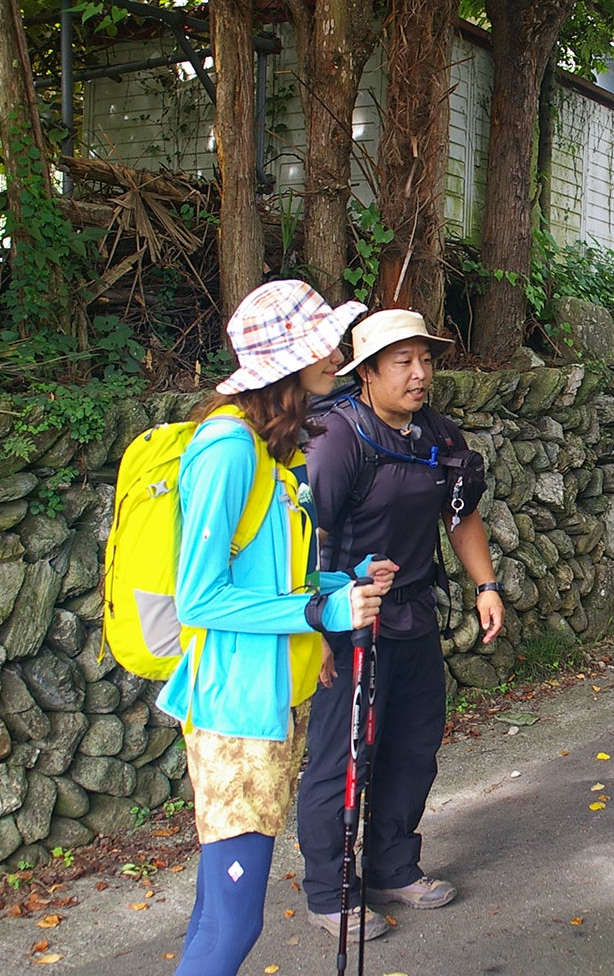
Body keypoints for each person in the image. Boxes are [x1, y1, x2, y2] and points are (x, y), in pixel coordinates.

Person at [158, 280, 394, 976]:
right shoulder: (228, 449)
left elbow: (272, 582)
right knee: (233, 922)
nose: (337, 354)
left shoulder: (267, 453)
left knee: (218, 914)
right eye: (323, 342)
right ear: (287, 362)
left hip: (259, 706)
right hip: (233, 712)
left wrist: (344, 581)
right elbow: (197, 598)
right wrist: (316, 613)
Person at [296, 309, 505, 939]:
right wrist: (316, 625)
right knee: (343, 756)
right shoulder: (338, 439)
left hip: (413, 612)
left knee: (415, 743)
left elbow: (460, 513)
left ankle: (391, 865)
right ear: (366, 374)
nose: (419, 375)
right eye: (402, 363)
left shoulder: (436, 433)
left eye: (426, 360)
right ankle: (330, 890)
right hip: (350, 620)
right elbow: (306, 536)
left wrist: (486, 585)